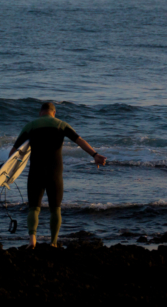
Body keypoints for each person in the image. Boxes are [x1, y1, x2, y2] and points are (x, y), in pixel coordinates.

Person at [9, 102, 107, 248]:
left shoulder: (30, 126)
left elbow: (14, 152)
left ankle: (32, 241)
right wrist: (95, 154)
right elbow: (79, 141)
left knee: (34, 208)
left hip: (36, 172)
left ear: (40, 112)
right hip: (55, 173)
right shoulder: (61, 124)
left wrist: (7, 172)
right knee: (55, 208)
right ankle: (53, 242)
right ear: (54, 113)